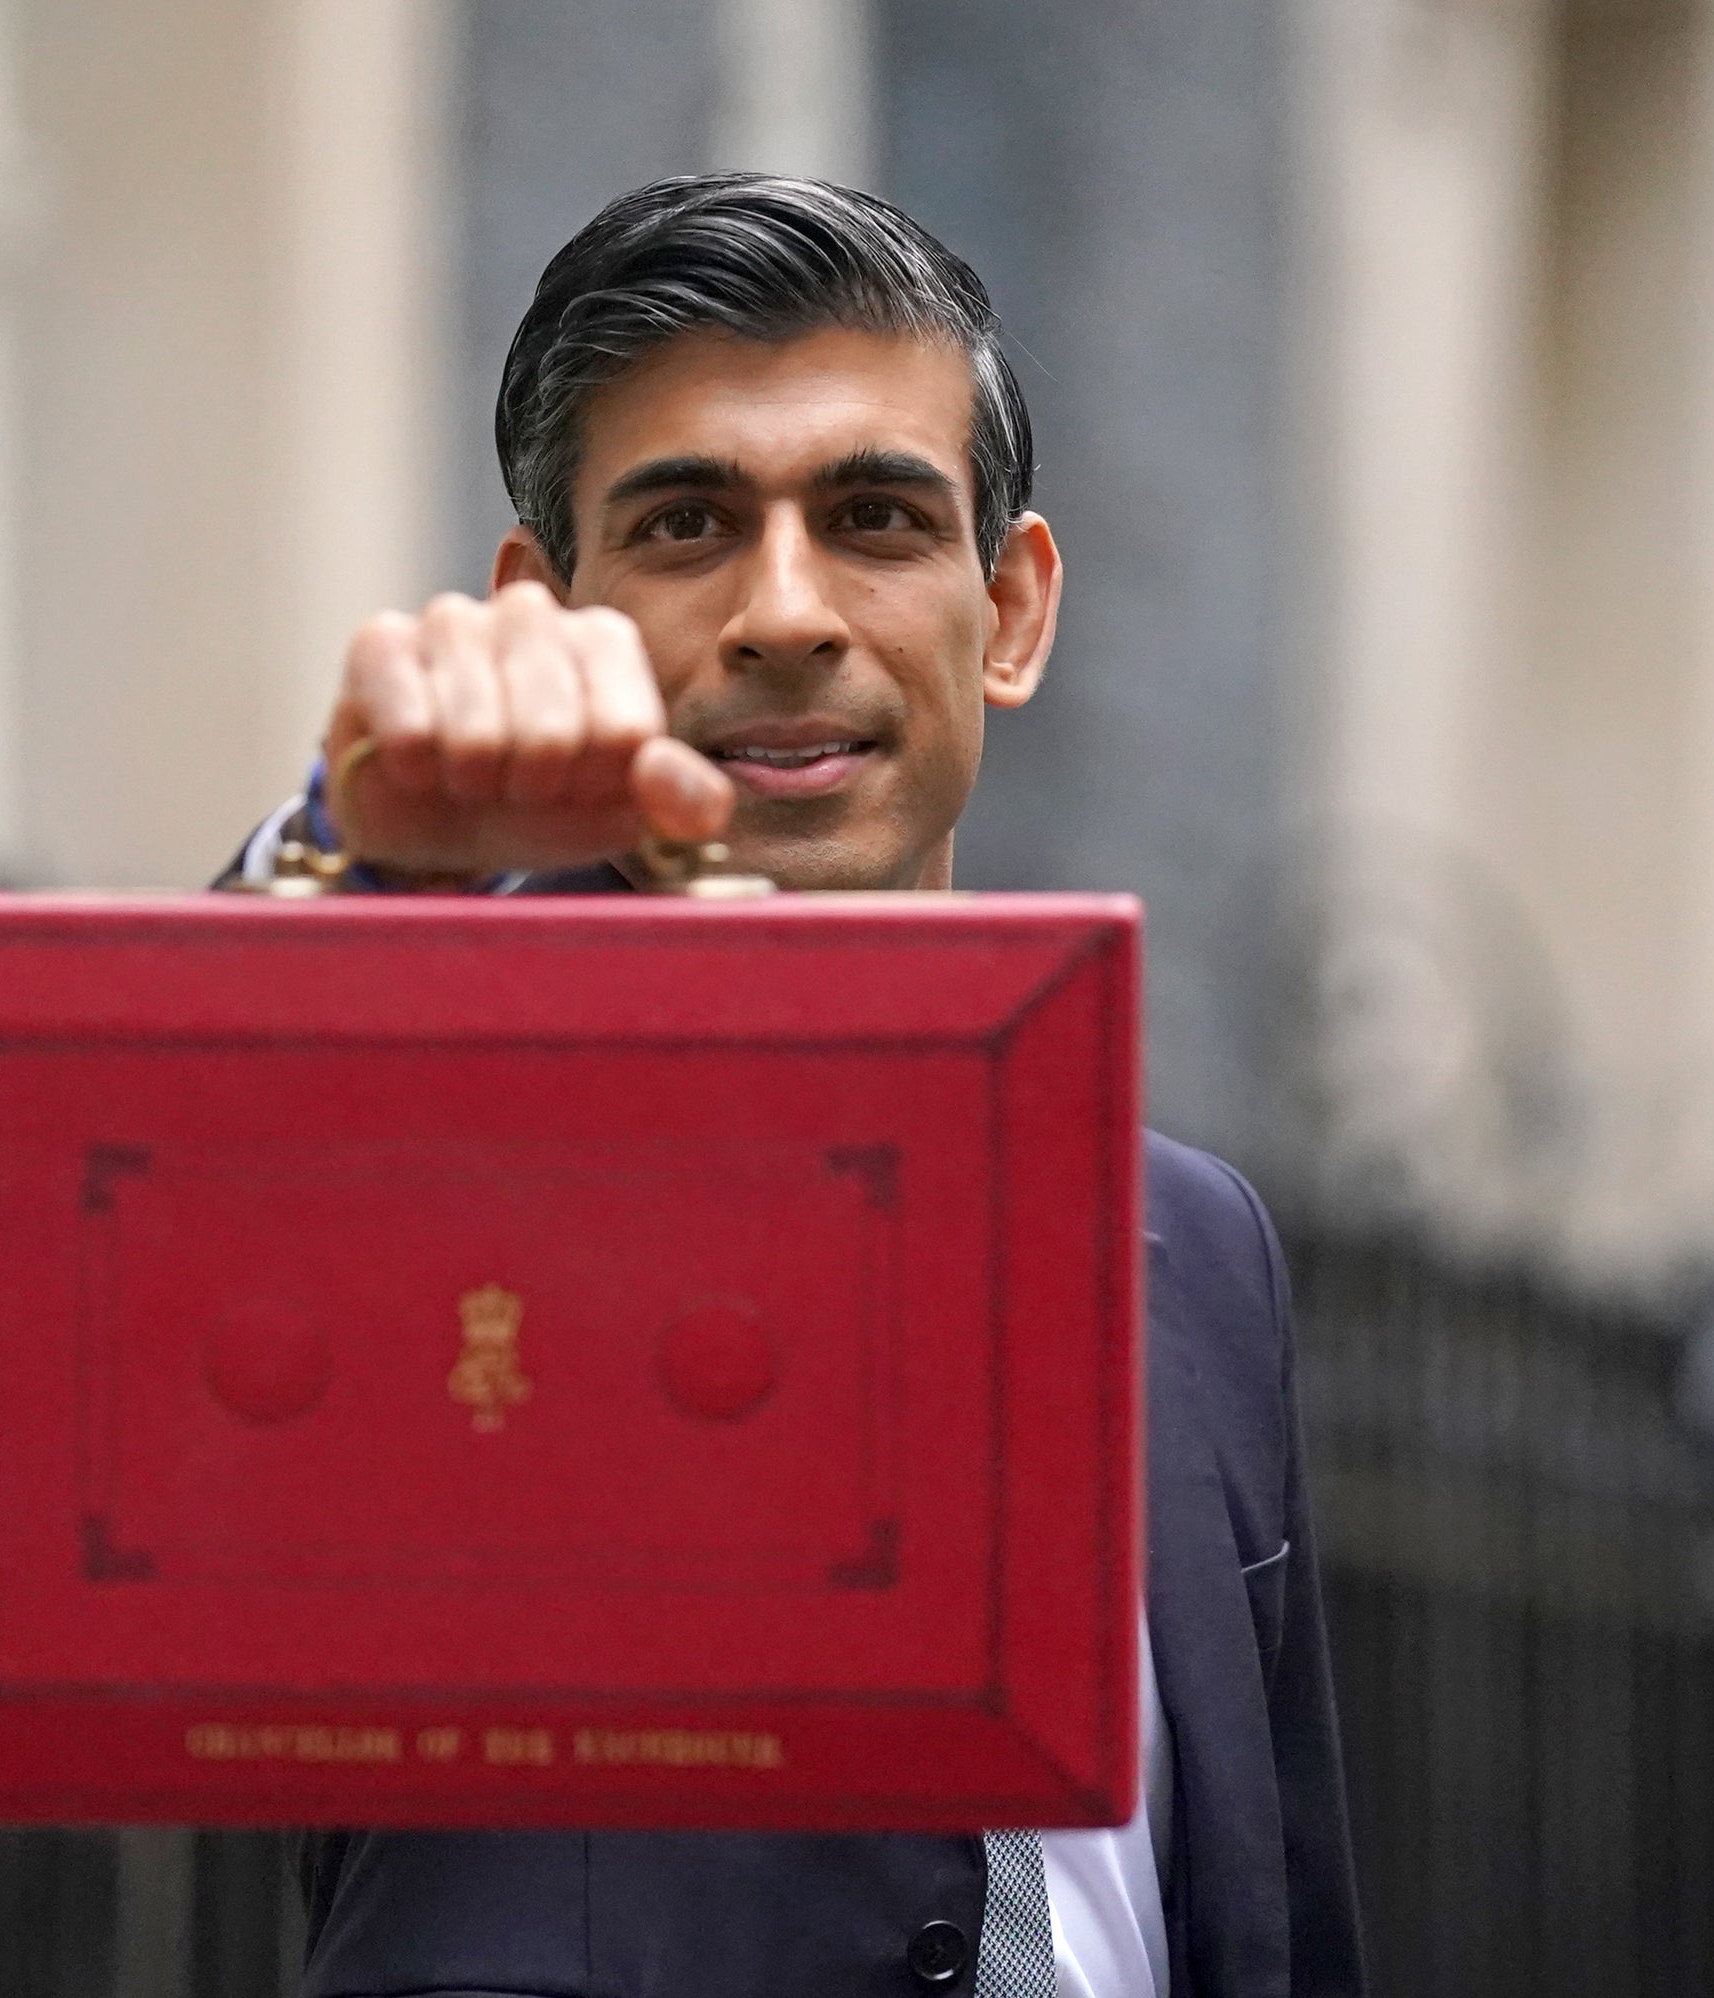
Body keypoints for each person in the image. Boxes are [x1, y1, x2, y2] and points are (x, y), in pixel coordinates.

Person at [223, 174, 1366, 1998]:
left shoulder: (1196, 1246)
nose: (783, 610)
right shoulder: (436, 1115)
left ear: (1011, 608)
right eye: (686, 523)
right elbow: (106, 1258)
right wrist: (352, 858)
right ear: (552, 609)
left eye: (873, 518)